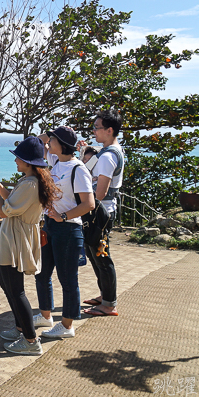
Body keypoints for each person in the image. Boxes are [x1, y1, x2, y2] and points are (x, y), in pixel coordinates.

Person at [0, 136, 58, 356]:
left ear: (28, 161)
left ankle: (30, 340)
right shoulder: (30, 180)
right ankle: (21, 328)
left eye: (18, 158)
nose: (15, 161)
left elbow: (3, 210)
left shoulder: (30, 184)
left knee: (15, 289)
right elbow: (12, 202)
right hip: (14, 236)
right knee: (6, 284)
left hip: (16, 238)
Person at [34, 126, 94, 339]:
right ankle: (45, 315)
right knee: (42, 273)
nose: (49, 143)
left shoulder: (78, 169)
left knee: (67, 279)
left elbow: (89, 203)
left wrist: (64, 216)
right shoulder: (56, 162)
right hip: (50, 227)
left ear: (62, 144)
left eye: (53, 140)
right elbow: (40, 140)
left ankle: (67, 326)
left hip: (68, 230)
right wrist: (52, 134)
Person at [77, 109, 125, 317]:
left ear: (109, 130)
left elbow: (100, 192)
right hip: (101, 211)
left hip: (100, 213)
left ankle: (109, 304)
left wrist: (81, 204)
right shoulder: (109, 152)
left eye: (97, 128)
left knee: (101, 257)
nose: (94, 132)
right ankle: (105, 296)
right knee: (95, 254)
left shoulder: (107, 157)